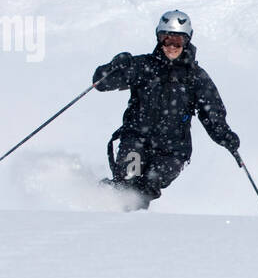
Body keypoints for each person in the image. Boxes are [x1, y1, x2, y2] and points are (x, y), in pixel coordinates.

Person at [92, 10, 240, 207]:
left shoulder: (195, 77)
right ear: (158, 38)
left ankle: (132, 223)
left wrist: (225, 136)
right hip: (136, 140)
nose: (171, 46)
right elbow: (101, 83)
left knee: (147, 186)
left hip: (172, 151)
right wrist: (113, 67)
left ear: (187, 41)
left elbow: (211, 113)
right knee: (128, 184)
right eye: (166, 39)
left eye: (177, 41)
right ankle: (103, 207)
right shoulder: (143, 66)